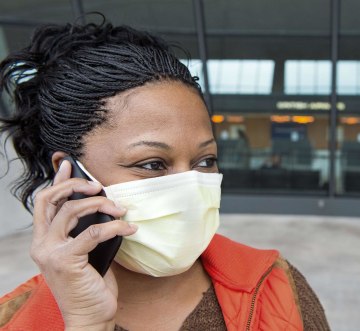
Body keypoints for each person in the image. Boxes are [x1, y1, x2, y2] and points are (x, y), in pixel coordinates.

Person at [0, 19, 330, 330]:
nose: (189, 189)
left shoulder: (276, 285)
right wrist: (86, 321)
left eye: (205, 161)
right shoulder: (13, 318)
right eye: (152, 164)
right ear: (69, 175)